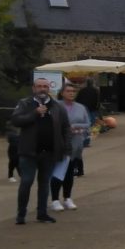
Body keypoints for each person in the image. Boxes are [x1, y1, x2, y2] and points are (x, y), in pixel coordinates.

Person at [11, 77, 72, 225]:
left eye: (45, 86)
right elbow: (16, 120)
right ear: (34, 89)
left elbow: (65, 128)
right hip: (29, 152)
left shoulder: (57, 107)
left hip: (49, 152)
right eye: (39, 86)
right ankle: (21, 214)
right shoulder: (25, 103)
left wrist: (66, 147)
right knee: (26, 181)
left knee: (45, 184)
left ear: (49, 89)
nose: (42, 89)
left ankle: (42, 213)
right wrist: (34, 113)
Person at [50, 83, 90, 211]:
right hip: (60, 143)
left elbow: (87, 123)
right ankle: (55, 199)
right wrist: (66, 129)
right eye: (68, 91)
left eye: (73, 91)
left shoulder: (80, 107)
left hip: (75, 142)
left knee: (70, 172)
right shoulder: (56, 105)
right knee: (58, 172)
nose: (71, 93)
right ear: (62, 93)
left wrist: (77, 126)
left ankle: (67, 197)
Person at [75, 78, 100, 150]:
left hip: (82, 110)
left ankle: (82, 141)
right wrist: (97, 109)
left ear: (87, 83)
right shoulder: (95, 91)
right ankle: (86, 142)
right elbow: (97, 101)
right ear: (92, 83)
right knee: (89, 126)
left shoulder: (82, 90)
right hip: (92, 110)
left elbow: (77, 100)